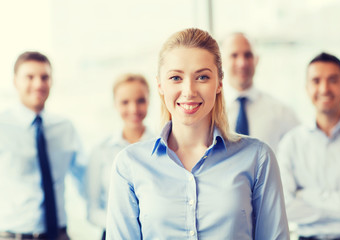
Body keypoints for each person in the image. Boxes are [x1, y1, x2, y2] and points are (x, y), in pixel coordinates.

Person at [106, 28, 289, 239]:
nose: (189, 91)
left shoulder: (258, 158)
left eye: (202, 77)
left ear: (219, 83)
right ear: (159, 85)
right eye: (176, 77)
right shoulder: (129, 164)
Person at [0, 51, 86, 240]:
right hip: (13, 235)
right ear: (15, 82)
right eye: (30, 77)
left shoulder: (65, 128)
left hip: (59, 234)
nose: (38, 84)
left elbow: (85, 181)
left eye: (44, 77)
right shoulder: (2, 127)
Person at [277, 52, 340, 239]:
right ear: (307, 88)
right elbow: (285, 207)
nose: (324, 88)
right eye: (316, 81)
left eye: (332, 80)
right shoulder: (291, 143)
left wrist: (306, 196)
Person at [86, 73, 154, 240]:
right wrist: (124, 227)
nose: (133, 109)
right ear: (115, 104)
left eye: (140, 100)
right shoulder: (100, 150)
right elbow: (92, 211)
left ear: (149, 101)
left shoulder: (163, 147)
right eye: (125, 102)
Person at [221, 32, 299, 151]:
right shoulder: (209, 112)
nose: (242, 63)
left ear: (256, 60)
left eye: (248, 55)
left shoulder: (281, 112)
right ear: (222, 61)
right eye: (234, 55)